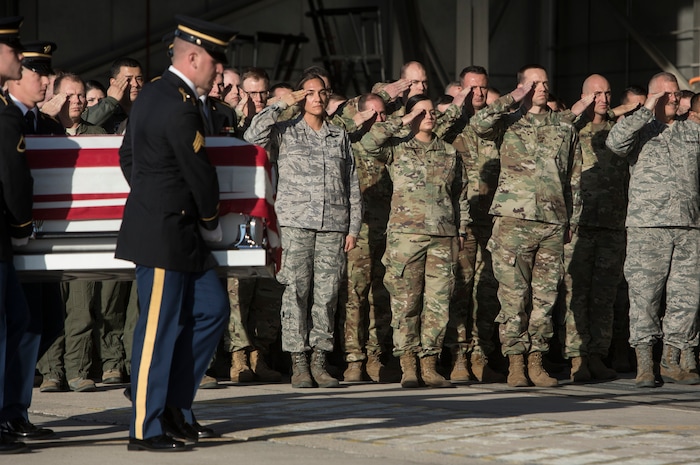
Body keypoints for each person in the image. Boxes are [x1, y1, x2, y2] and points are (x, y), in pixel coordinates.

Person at [116, 15, 235, 451]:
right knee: (158, 330)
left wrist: (152, 193)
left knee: (211, 310)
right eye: (213, 64)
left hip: (177, 230)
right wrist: (206, 218)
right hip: (166, 232)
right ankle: (144, 427)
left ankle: (174, 407)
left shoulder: (156, 95)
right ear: (192, 57)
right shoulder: (175, 102)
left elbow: (127, 156)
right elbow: (199, 174)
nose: (218, 71)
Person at [245, 72, 362, 389]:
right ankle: (298, 362)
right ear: (301, 96)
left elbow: (352, 186)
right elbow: (252, 137)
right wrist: (280, 104)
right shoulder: (285, 132)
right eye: (310, 92)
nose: (318, 98)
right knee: (294, 294)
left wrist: (353, 228)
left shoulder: (339, 136)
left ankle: (320, 362)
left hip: (333, 227)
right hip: (295, 224)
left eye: (323, 92)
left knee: (326, 297)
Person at [471, 64, 582, 388]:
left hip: (551, 223)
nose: (542, 88)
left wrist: (571, 220)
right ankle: (515, 363)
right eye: (535, 83)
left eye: (545, 83)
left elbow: (573, 178)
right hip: (513, 222)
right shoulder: (507, 121)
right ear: (521, 87)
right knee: (513, 298)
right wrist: (512, 98)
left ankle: (537, 361)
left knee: (545, 299)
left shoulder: (564, 127)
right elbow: (479, 124)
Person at [360, 94, 469, 388]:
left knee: (437, 303)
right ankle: (408, 364)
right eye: (422, 112)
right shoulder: (397, 149)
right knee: (406, 302)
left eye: (432, 112)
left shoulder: (449, 152)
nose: (429, 116)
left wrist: (461, 230)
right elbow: (368, 144)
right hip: (406, 238)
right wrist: (403, 120)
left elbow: (460, 194)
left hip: (443, 236)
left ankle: (430, 365)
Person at [606, 72, 700, 388]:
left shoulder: (692, 131)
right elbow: (615, 143)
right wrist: (646, 109)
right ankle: (645, 364)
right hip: (649, 227)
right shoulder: (641, 129)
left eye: (677, 94)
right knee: (645, 296)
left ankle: (672, 359)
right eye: (668, 94)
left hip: (689, 226)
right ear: (654, 96)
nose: (675, 98)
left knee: (686, 298)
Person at [0, 17, 51, 454]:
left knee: (25, 324)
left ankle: (12, 413)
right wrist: (19, 229)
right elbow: (14, 180)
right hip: (9, 238)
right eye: (36, 68)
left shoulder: (43, 126)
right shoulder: (3, 116)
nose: (44, 77)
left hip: (22, 241)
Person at [559, 74, 628, 383]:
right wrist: (576, 110)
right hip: (580, 225)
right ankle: (577, 358)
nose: (603, 98)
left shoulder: (618, 132)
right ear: (584, 95)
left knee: (603, 295)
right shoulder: (573, 129)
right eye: (597, 93)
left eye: (607, 93)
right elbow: (554, 131)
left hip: (612, 224)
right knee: (576, 293)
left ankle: (598, 355)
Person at [447, 65, 505, 384]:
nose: (478, 94)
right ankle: (457, 356)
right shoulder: (451, 123)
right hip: (461, 220)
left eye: (483, 88)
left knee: (489, 288)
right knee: (461, 287)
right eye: (472, 88)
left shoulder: (497, 125)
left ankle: (481, 355)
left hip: (492, 218)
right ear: (460, 89)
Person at [339, 93, 395, 383]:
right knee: (355, 296)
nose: (380, 119)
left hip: (387, 226)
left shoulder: (392, 143)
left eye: (383, 113)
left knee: (382, 295)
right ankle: (353, 359)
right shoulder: (348, 140)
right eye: (373, 114)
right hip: (357, 229)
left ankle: (376, 355)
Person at [83, 57, 144, 133]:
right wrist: (110, 101)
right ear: (113, 83)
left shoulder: (148, 109)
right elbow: (84, 124)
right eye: (128, 79)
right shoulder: (107, 111)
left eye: (139, 79)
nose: (135, 84)